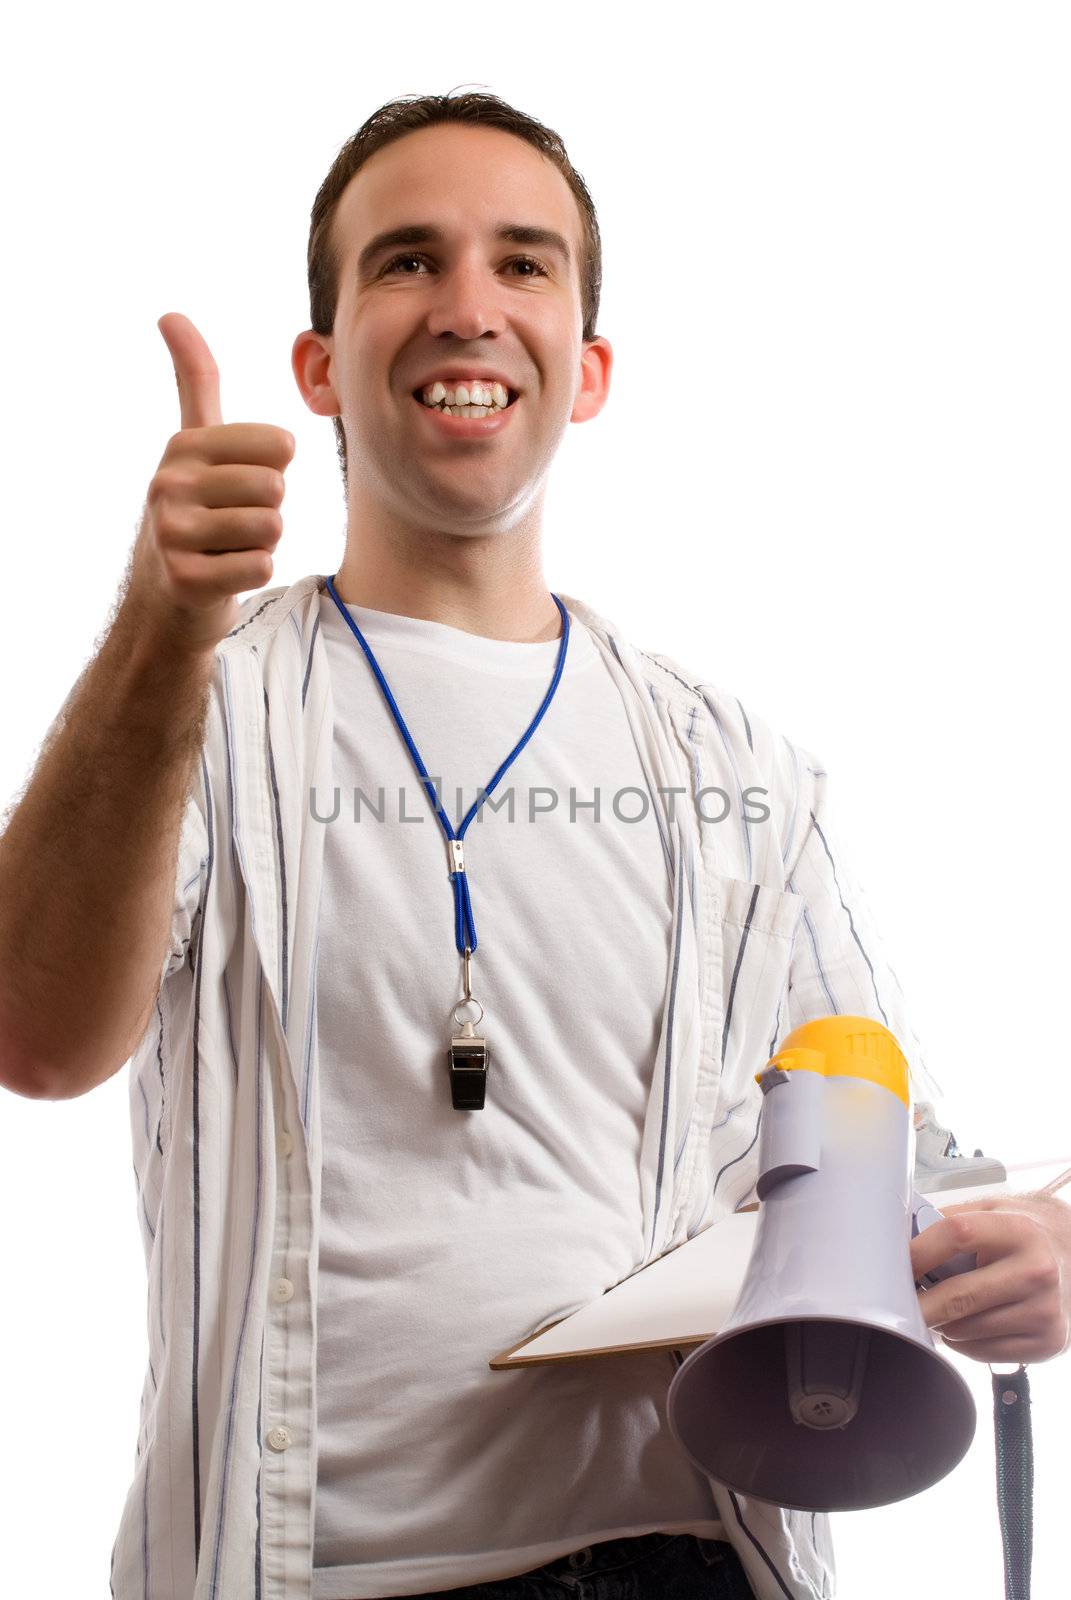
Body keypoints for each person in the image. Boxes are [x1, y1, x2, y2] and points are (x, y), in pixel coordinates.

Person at [0, 89, 1067, 1600]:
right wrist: (164, 631)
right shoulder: (201, 707)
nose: (468, 309)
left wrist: (1025, 1254)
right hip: (303, 1573)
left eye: (523, 264)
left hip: (683, 1560)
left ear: (592, 364)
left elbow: (887, 1159)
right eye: (406, 262)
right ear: (318, 366)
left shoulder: (734, 772)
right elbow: (33, 1038)